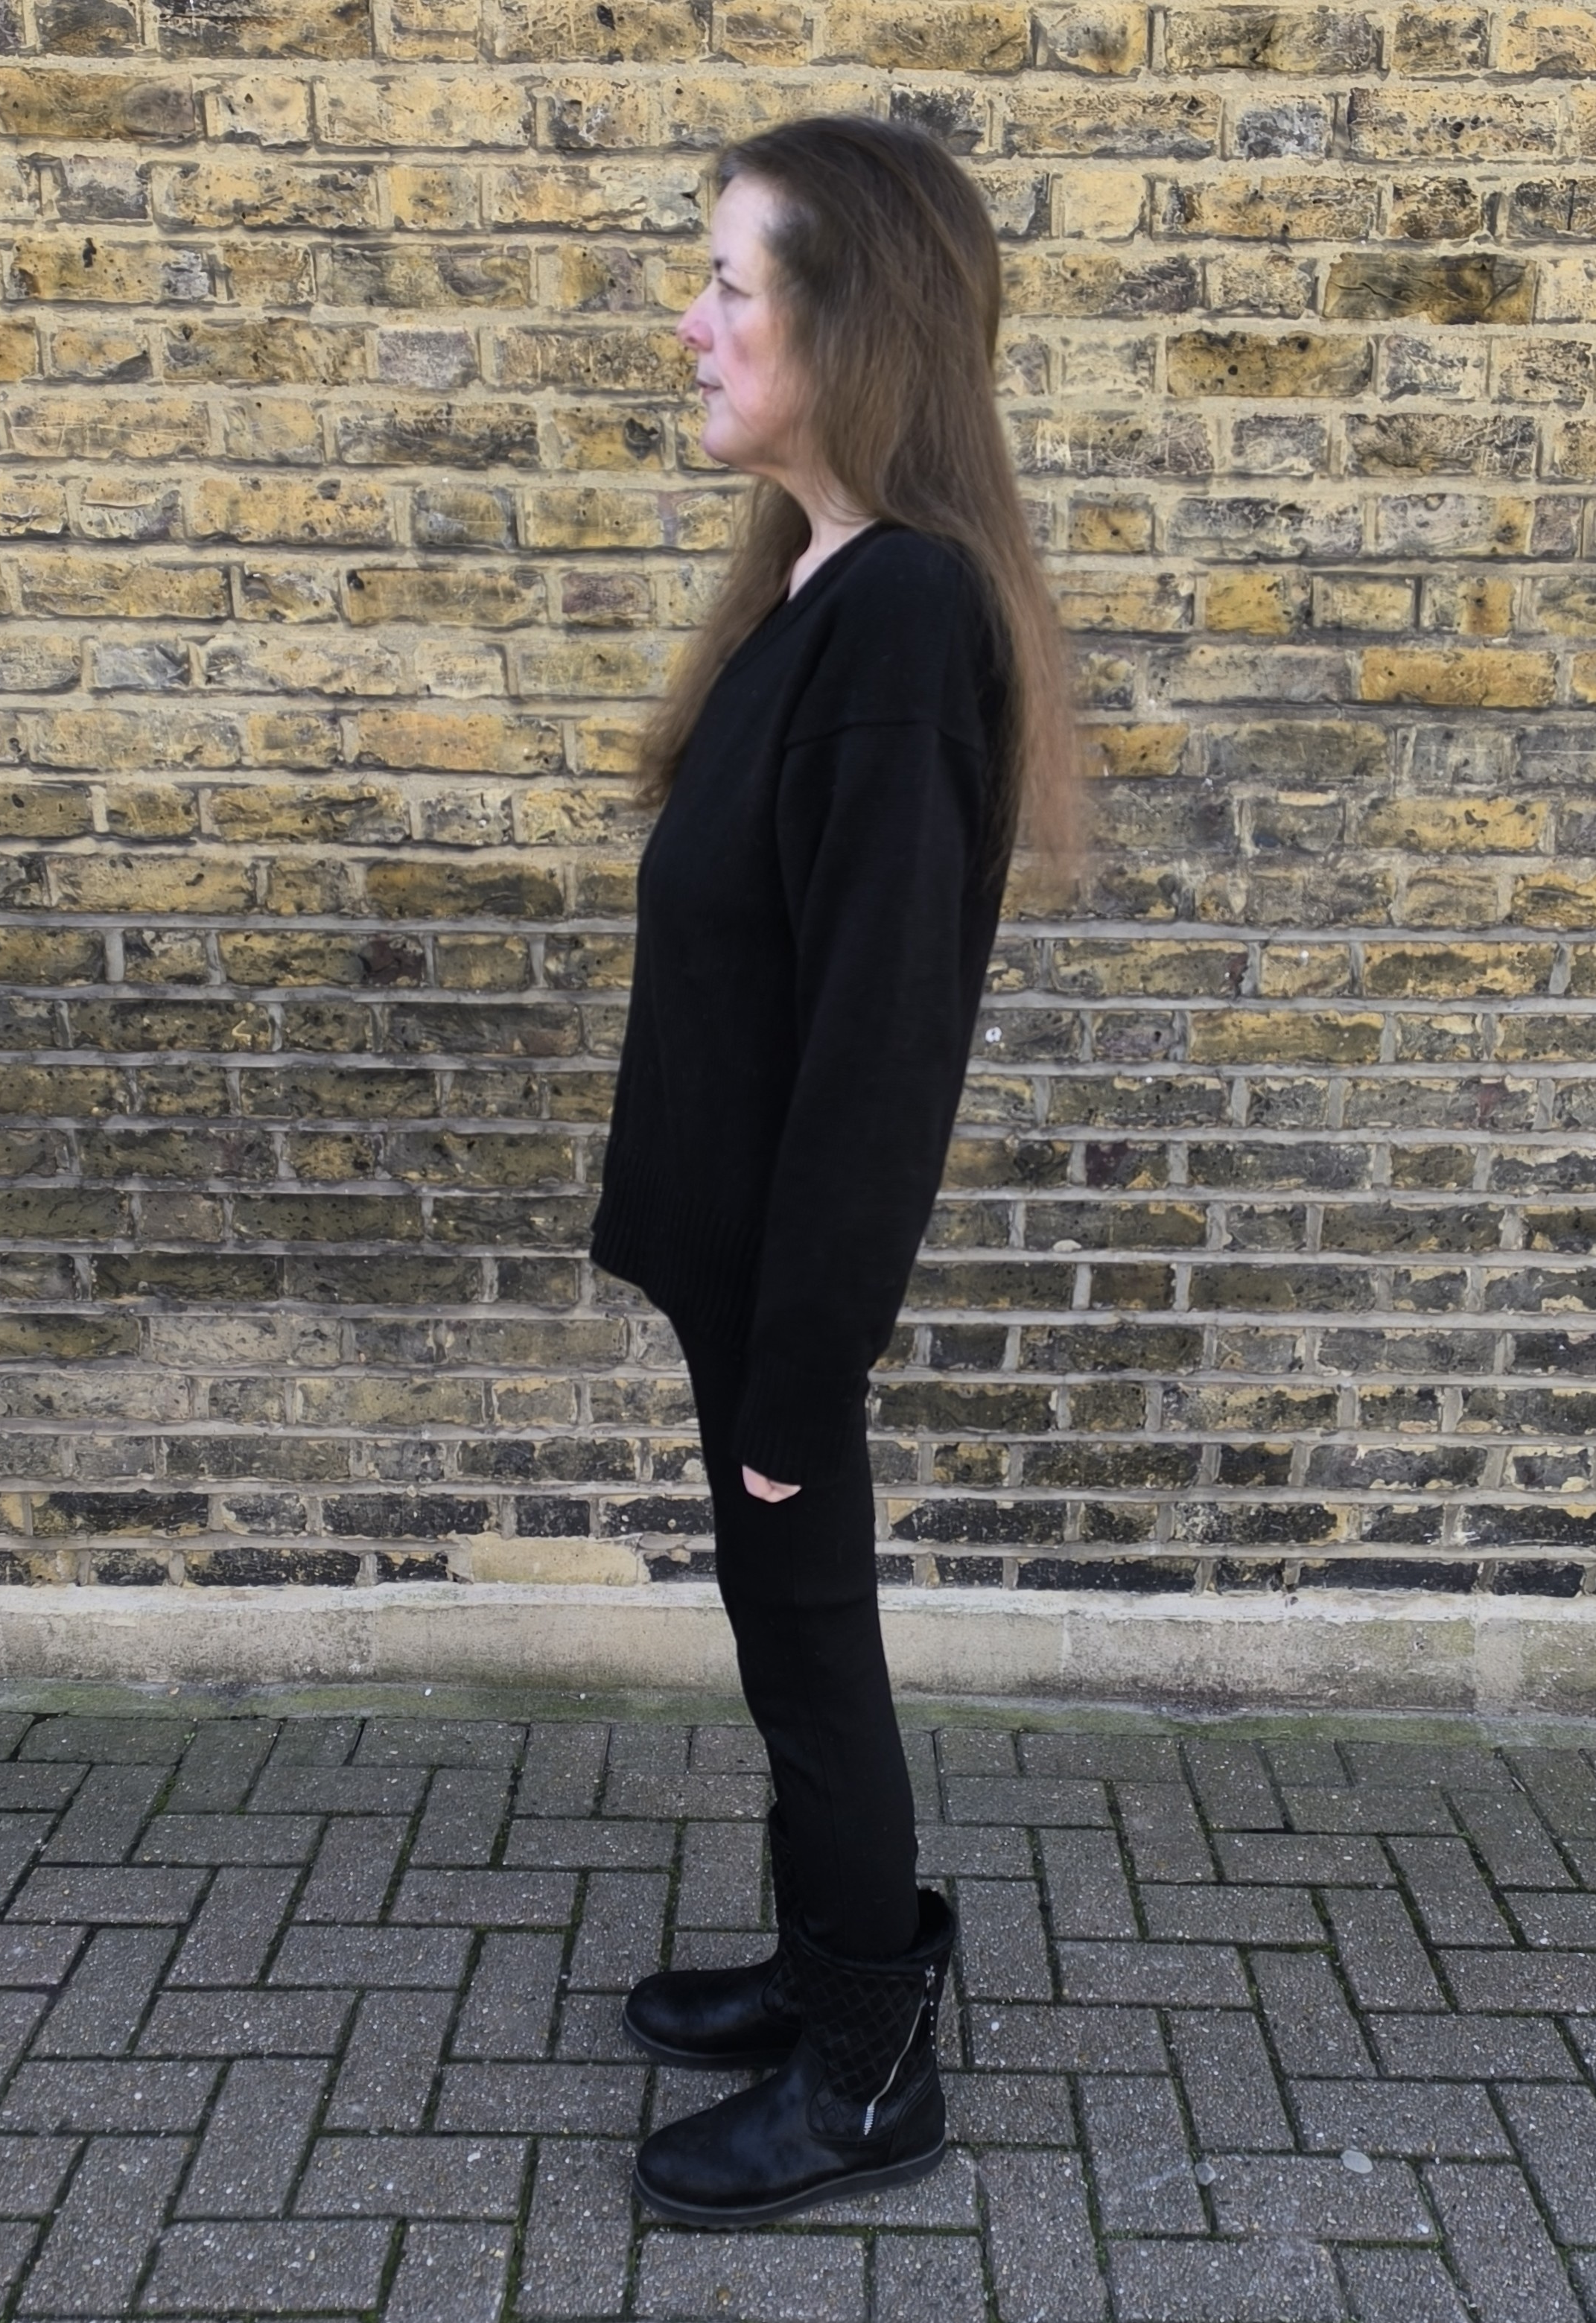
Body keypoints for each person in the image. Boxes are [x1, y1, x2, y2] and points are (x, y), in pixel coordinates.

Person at [586, 112, 1077, 2226]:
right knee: (785, 1630)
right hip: (740, 1259)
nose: (691, 323)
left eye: (728, 283)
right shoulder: (815, 581)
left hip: (786, 1283)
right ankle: (820, 1969)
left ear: (846, 323)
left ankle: (871, 2070)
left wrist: (801, 1373)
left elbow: (884, 1044)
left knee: (809, 1640)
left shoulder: (901, 620)